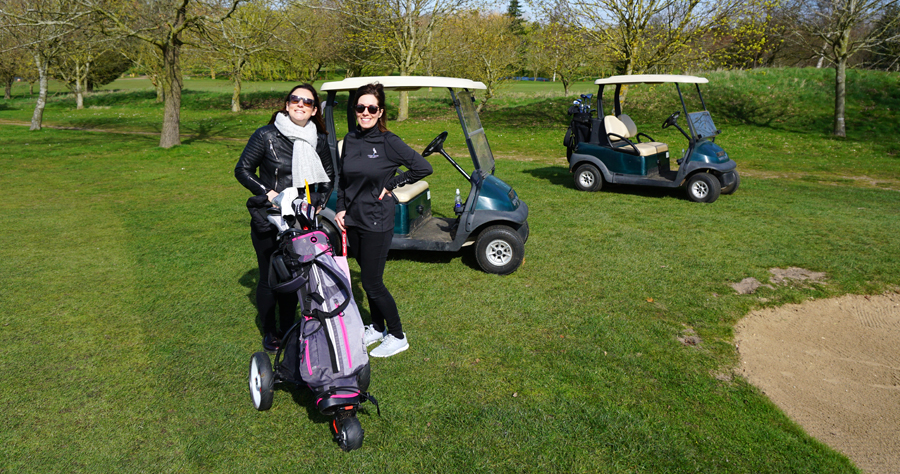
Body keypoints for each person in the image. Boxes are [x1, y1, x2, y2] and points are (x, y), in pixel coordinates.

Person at [335, 83, 432, 358]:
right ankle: (377, 327)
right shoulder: (350, 139)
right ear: (355, 110)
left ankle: (398, 335)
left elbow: (423, 167)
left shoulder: (389, 141)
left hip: (377, 220)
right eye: (360, 107)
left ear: (380, 112)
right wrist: (341, 209)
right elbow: (343, 180)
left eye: (371, 108)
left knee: (372, 284)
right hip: (353, 219)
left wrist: (392, 184)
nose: (365, 112)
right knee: (368, 280)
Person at [235, 84, 334, 352]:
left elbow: (328, 176)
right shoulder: (266, 134)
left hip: (300, 220)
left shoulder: (319, 139)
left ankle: (289, 328)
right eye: (295, 99)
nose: (300, 104)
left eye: (307, 102)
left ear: (314, 110)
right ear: (287, 104)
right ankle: (270, 331)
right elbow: (243, 169)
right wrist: (268, 193)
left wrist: (316, 205)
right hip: (270, 217)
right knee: (270, 276)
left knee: (294, 274)